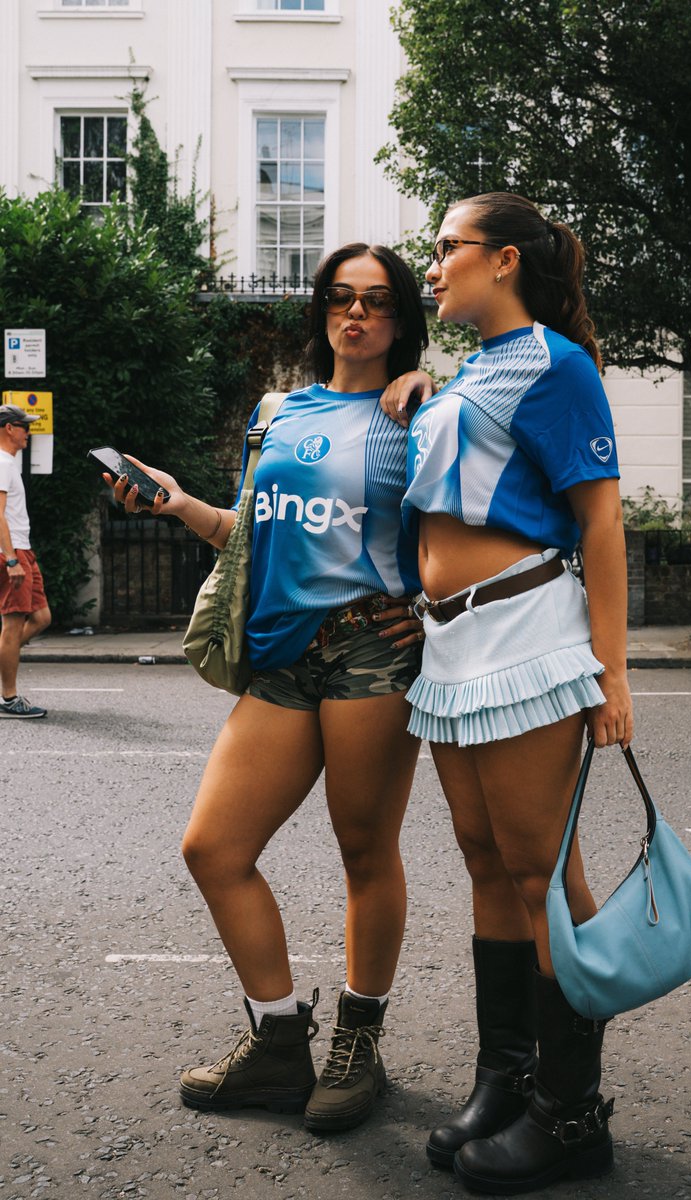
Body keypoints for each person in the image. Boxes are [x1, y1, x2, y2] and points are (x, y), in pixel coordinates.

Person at [107, 243, 429, 1129]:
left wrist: (435, 606)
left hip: (371, 652)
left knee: (364, 850)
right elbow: (249, 535)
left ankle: (358, 1043)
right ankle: (278, 1038)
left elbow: (465, 528)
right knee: (214, 847)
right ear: (320, 311)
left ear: (401, 318)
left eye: (374, 301)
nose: (354, 314)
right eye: (338, 298)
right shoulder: (277, 412)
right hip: (281, 655)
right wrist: (174, 502)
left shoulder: (423, 413)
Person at [385, 192, 633, 1194]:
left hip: (529, 637)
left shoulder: (559, 366)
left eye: (447, 248)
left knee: (540, 872)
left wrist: (612, 672)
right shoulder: (471, 371)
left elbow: (602, 519)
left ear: (506, 261)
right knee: (487, 860)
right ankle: (510, 1079)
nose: (432, 265)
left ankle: (573, 1117)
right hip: (452, 643)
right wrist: (415, 392)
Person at [0, 404, 52, 719]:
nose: (28, 432)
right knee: (12, 623)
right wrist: (9, 559)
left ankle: (5, 656)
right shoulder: (2, 464)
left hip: (23, 551)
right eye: (24, 426)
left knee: (42, 617)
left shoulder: (9, 464)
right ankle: (8, 697)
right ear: (9, 428)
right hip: (13, 553)